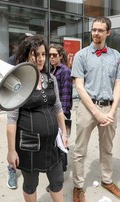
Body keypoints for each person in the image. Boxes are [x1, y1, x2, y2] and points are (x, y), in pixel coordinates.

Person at [6, 35, 74, 202]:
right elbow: (11, 119)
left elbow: (58, 107)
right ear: (26, 56)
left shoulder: (50, 79)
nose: (41, 58)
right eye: (36, 54)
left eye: (43, 54)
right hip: (28, 145)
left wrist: (64, 133)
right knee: (30, 183)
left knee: (57, 178)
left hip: (52, 142)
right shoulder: (18, 83)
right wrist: (11, 150)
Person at [71, 16, 120, 202]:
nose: (96, 33)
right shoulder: (81, 55)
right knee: (80, 151)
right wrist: (97, 113)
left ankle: (107, 180)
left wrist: (111, 111)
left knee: (107, 149)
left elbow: (118, 84)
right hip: (88, 108)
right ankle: (78, 186)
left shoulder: (116, 56)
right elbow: (79, 86)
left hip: (109, 109)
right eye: (94, 29)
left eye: (100, 30)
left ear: (108, 33)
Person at [7, 32, 33, 190]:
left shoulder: (34, 58)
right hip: (15, 101)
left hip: (31, 101)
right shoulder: (13, 60)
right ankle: (12, 169)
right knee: (14, 140)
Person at [49, 43, 73, 172]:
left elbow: (66, 93)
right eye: (50, 55)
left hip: (62, 112)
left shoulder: (65, 70)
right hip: (54, 112)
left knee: (62, 141)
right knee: (57, 141)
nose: (51, 57)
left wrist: (62, 114)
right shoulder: (52, 69)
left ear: (60, 56)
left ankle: (61, 170)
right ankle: (60, 167)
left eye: (54, 55)